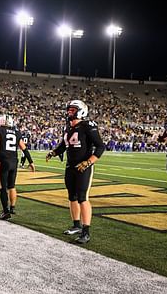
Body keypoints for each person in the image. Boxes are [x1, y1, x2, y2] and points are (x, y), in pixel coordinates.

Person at [46, 100, 105, 244]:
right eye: (69, 110)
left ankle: (86, 231)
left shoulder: (87, 126)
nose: (69, 112)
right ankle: (76, 225)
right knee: (72, 197)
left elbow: (100, 146)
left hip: (83, 167)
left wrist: (88, 162)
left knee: (83, 198)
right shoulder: (68, 127)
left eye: (73, 110)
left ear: (81, 111)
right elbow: (64, 145)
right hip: (70, 166)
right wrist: (54, 152)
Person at [0, 115, 35, 220]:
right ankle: (12, 207)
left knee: (2, 187)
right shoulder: (16, 132)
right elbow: (23, 148)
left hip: (3, 161)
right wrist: (31, 161)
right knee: (11, 186)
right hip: (14, 162)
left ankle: (5, 212)